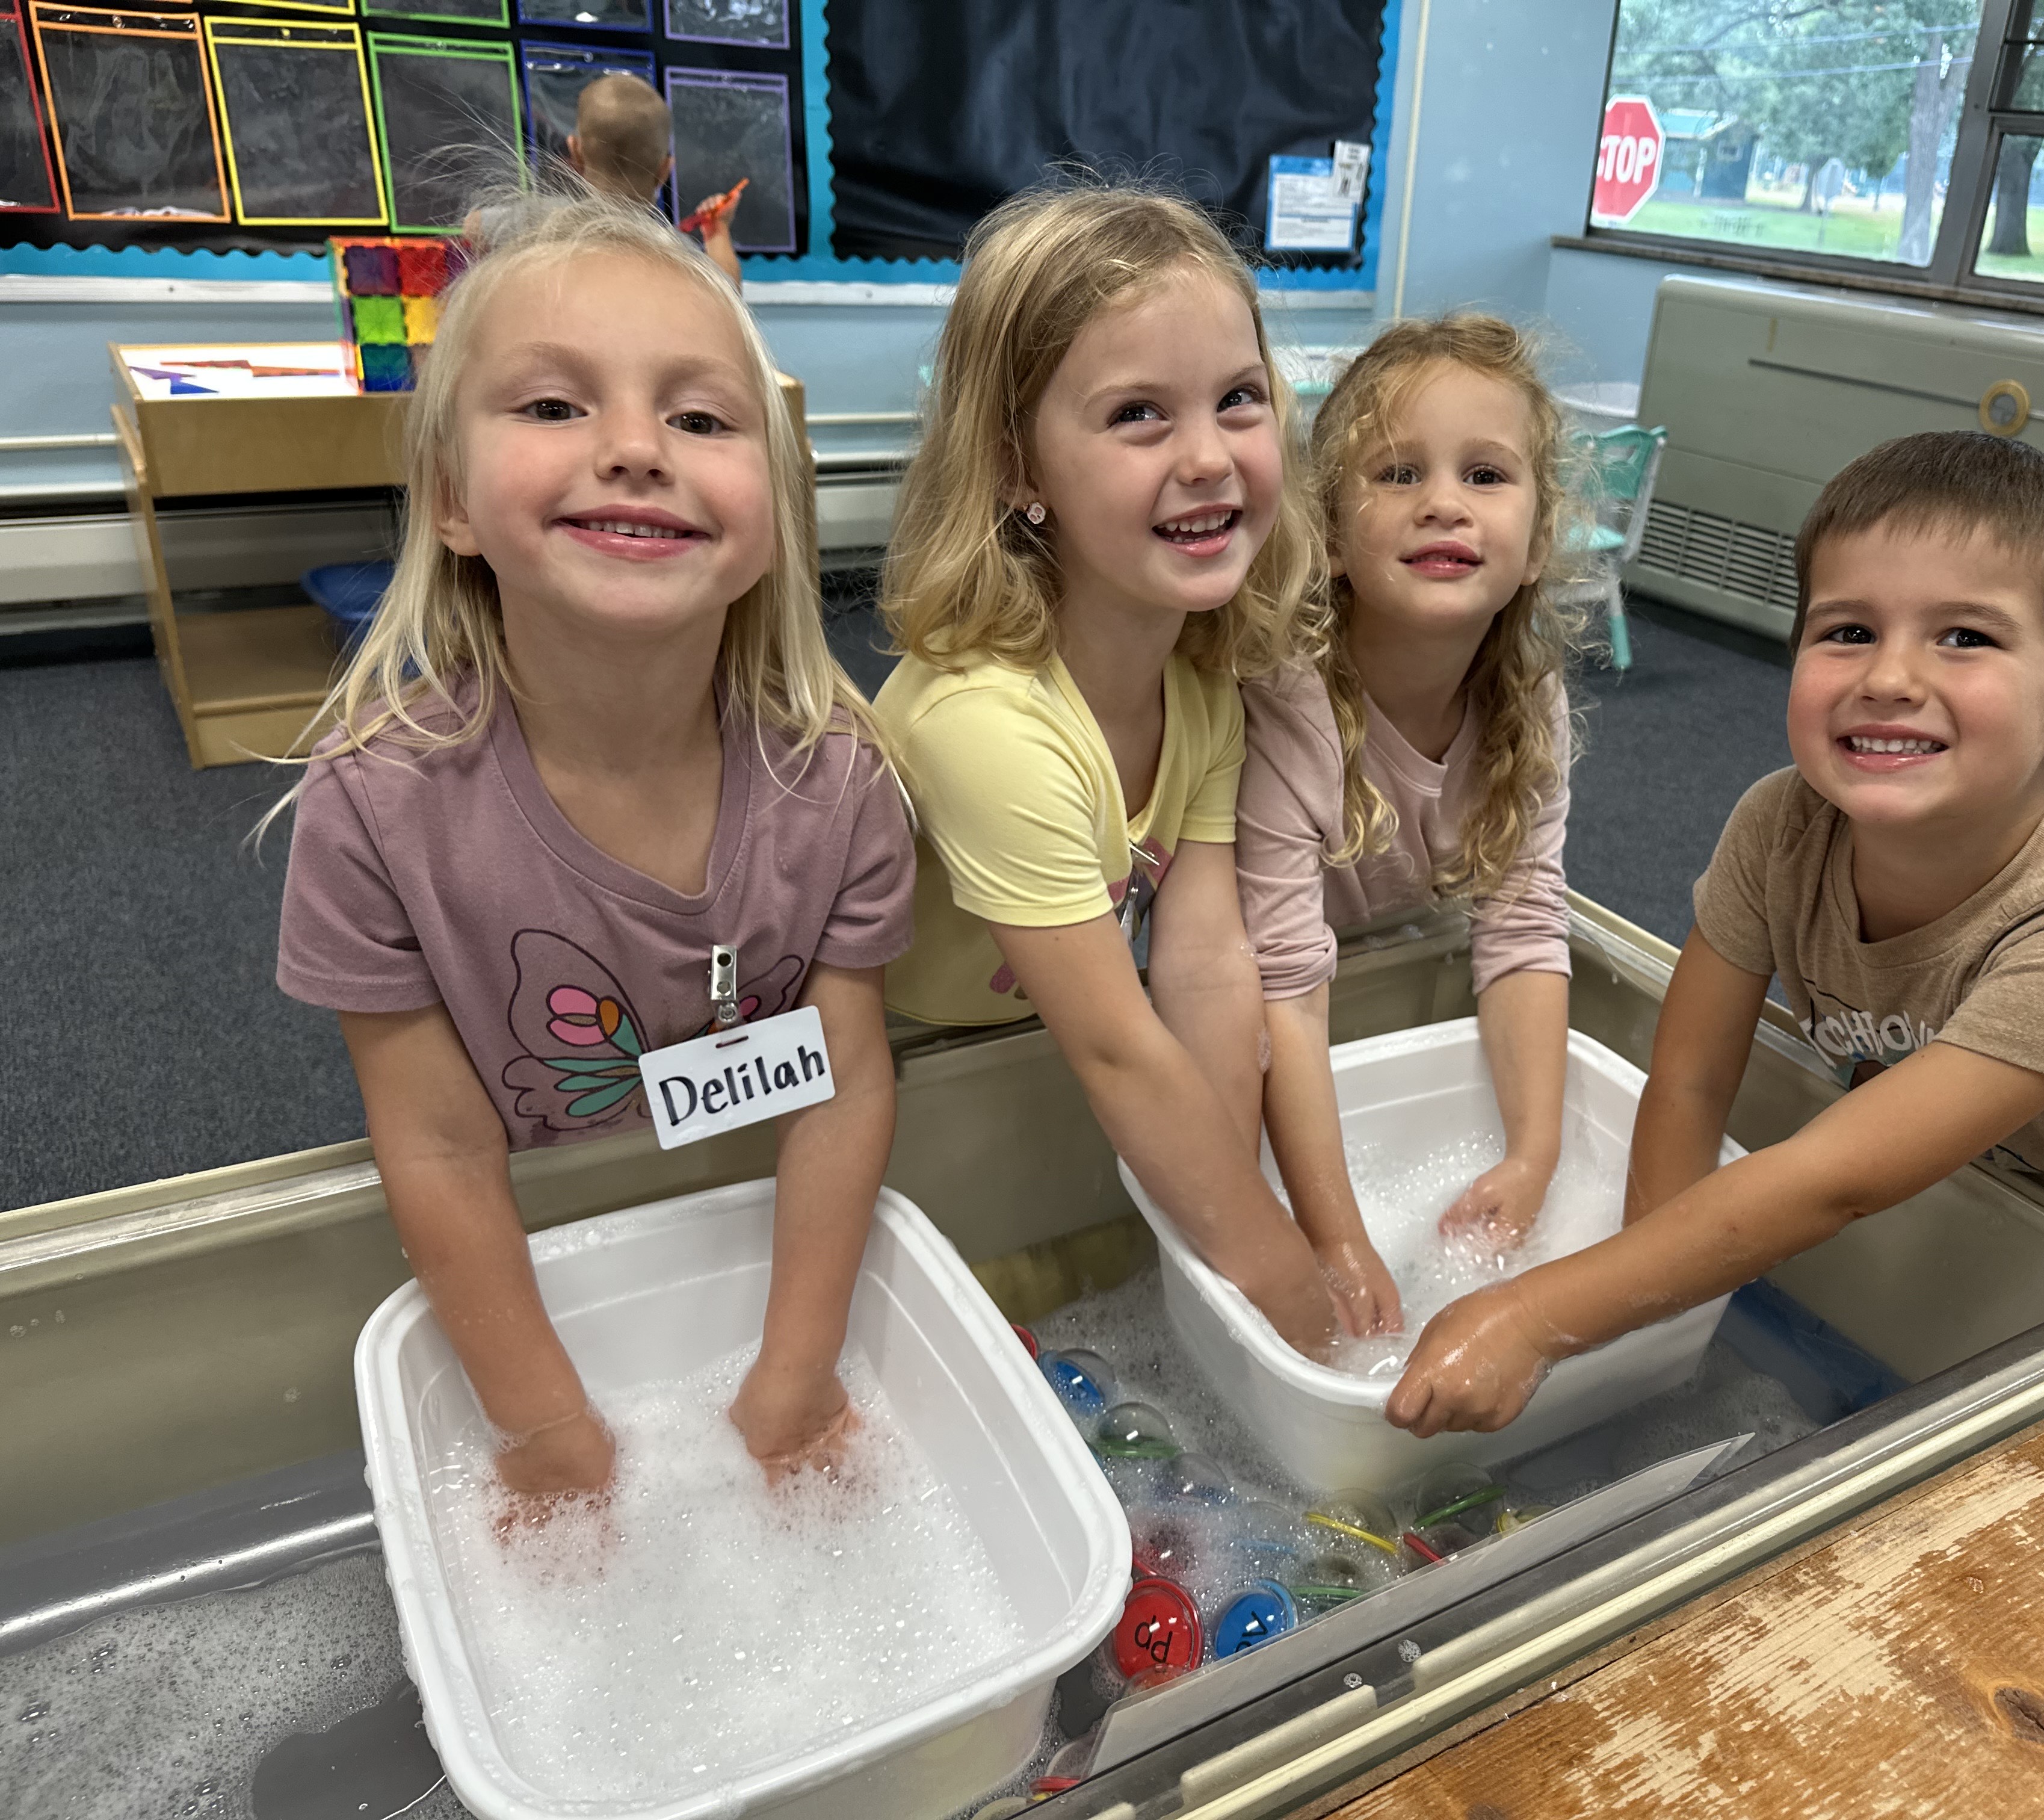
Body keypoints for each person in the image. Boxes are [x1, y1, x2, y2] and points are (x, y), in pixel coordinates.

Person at [1386, 429, 2044, 1437]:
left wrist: (1537, 1317)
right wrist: (1638, 1307)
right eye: (1847, 630)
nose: (1889, 677)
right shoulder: (1779, 825)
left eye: (1965, 638)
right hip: (1940, 1197)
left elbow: (1832, 1180)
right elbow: (1691, 1078)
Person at [273, 194, 913, 1515]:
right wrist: (550, 1431)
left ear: (775, 511)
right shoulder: (374, 810)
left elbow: (844, 1086)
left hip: (739, 1229)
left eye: (702, 419)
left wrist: (797, 1371)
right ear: (452, 501)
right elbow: (439, 1153)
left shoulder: (842, 784)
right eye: (555, 406)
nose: (633, 448)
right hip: (543, 1260)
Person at [872, 180, 1338, 1357]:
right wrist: (1280, 1281)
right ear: (1016, 468)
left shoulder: (1197, 683)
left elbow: (1207, 962)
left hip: (1044, 1060)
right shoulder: (988, 722)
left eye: (1238, 399)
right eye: (1138, 414)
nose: (1209, 457)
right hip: (917, 1095)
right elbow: (1120, 1049)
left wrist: (1226, 1227)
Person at [1235, 315, 1581, 1338]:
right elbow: (1283, 992)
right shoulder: (1289, 703)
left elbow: (1524, 930)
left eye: (1486, 474)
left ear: (1537, 543)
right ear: (1333, 538)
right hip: (1264, 1012)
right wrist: (1339, 1238)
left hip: (1373, 976)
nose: (1443, 502)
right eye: (1397, 473)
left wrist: (1533, 1156)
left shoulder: (1529, 703)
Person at [566, 71, 740, 285]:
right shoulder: (674, 259)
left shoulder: (550, 245)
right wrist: (718, 231)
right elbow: (726, 291)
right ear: (664, 170)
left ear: (575, 154)